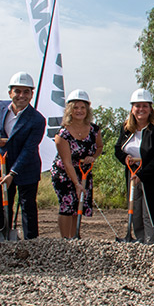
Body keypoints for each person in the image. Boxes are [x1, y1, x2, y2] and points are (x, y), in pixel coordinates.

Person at [0, 71, 46, 240]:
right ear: (10, 92)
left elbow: (29, 149)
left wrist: (13, 173)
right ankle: (2, 239)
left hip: (26, 168)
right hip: (2, 165)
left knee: (28, 207)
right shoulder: (0, 107)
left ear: (31, 94)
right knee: (3, 206)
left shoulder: (37, 119)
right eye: (17, 91)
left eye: (26, 92)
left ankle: (32, 243)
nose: (21, 95)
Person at [114, 88, 154, 244]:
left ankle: (150, 243)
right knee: (134, 210)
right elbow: (117, 149)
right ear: (132, 109)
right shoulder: (127, 128)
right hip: (132, 172)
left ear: (150, 108)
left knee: (149, 212)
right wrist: (126, 158)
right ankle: (139, 239)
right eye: (137, 106)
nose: (141, 109)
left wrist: (142, 175)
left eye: (144, 106)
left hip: (152, 175)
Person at [51, 89, 103, 238]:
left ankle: (75, 237)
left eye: (82, 107)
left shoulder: (94, 130)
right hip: (64, 174)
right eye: (75, 108)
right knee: (67, 205)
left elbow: (99, 147)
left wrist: (93, 157)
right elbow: (66, 162)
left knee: (77, 207)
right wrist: (77, 183)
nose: (79, 111)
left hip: (84, 172)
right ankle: (65, 240)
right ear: (69, 110)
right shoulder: (63, 134)